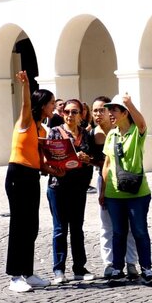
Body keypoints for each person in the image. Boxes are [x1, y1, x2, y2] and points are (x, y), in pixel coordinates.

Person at [5, 70, 57, 292]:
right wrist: (26, 85)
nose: (54, 106)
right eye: (52, 103)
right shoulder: (26, 121)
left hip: (32, 176)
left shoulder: (42, 128)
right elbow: (26, 104)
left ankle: (28, 272)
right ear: (42, 105)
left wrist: (56, 170)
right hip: (17, 175)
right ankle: (14, 276)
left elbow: (41, 161)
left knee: (31, 226)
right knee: (19, 225)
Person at [100, 93, 152, 285]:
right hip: (114, 194)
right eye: (110, 110)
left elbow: (142, 124)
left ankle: (147, 269)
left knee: (140, 231)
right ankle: (117, 269)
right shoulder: (111, 135)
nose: (110, 113)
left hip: (137, 193)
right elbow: (107, 164)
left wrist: (129, 103)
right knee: (118, 232)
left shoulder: (135, 132)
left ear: (125, 113)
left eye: (114, 109)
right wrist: (102, 192)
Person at [46, 99, 95, 284]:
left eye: (74, 112)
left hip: (78, 187)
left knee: (77, 229)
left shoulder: (86, 134)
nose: (69, 115)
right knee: (60, 229)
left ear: (81, 114)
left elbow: (92, 160)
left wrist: (86, 158)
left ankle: (79, 268)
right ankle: (59, 270)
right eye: (66, 111)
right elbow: (48, 156)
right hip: (58, 186)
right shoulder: (55, 132)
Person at [90, 96, 139, 279]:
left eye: (103, 109)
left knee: (129, 226)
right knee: (108, 225)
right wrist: (102, 190)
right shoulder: (93, 133)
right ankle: (109, 263)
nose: (100, 113)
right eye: (95, 110)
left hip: (126, 179)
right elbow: (104, 164)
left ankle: (131, 263)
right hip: (106, 179)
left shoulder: (123, 130)